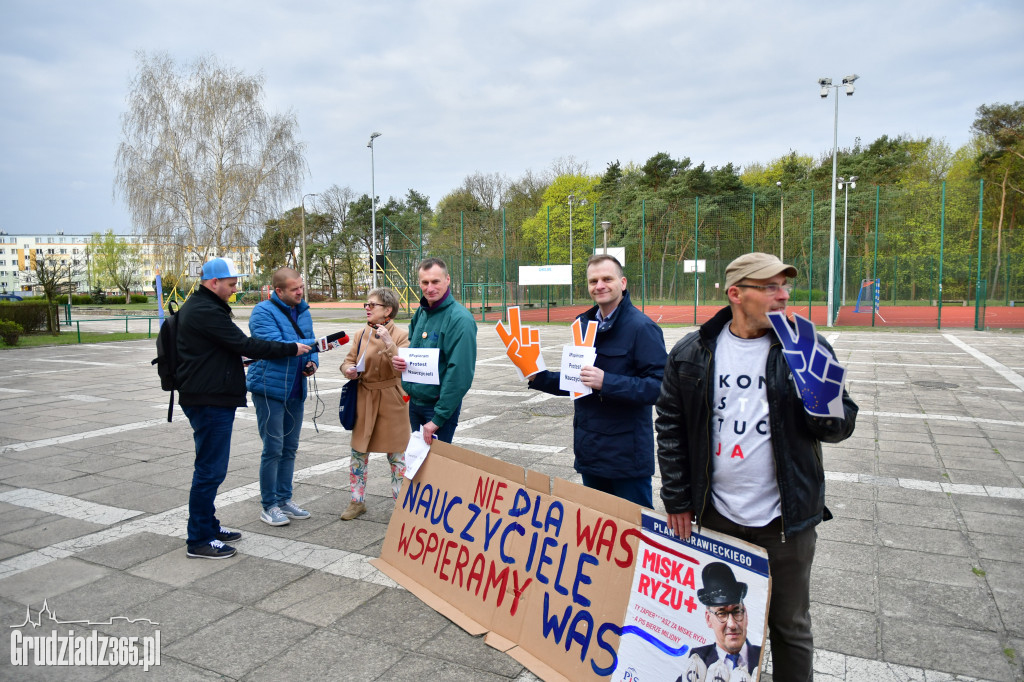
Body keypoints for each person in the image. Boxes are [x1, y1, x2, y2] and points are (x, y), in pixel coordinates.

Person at [656, 252, 858, 681]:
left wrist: (822, 396)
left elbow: (838, 428)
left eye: (784, 286)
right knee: (715, 626)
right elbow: (670, 424)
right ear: (736, 294)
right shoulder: (692, 351)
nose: (783, 295)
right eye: (769, 287)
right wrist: (676, 497)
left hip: (784, 520)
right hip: (715, 515)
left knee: (791, 627)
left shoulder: (806, 348)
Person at [176, 258, 311, 559]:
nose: (235, 289)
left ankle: (208, 526)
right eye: (232, 284)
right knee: (210, 471)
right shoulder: (205, 311)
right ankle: (199, 538)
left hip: (212, 395)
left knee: (212, 468)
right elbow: (246, 345)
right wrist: (291, 348)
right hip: (208, 399)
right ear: (214, 283)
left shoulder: (206, 307)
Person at [527, 255, 666, 507]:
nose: (599, 285)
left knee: (633, 533)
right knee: (596, 533)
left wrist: (607, 382)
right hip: (590, 449)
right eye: (593, 281)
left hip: (626, 457)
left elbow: (660, 387)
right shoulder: (582, 324)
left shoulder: (642, 328)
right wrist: (540, 377)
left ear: (622, 283)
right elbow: (577, 380)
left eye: (607, 279)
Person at [246, 267, 319, 527]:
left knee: (290, 448)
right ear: (279, 291)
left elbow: (310, 345)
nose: (300, 292)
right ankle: (269, 506)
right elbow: (272, 345)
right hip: (270, 389)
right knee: (273, 448)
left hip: (295, 388)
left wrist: (312, 362)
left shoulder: (304, 310)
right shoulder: (262, 312)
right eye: (294, 289)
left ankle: (285, 499)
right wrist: (299, 348)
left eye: (301, 286)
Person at [339, 287, 410, 520]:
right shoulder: (361, 334)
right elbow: (348, 360)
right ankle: (356, 501)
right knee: (358, 453)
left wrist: (390, 343)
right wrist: (347, 370)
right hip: (365, 398)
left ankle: (402, 506)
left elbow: (404, 365)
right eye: (366, 305)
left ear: (388, 310)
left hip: (392, 399)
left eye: (372, 305)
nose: (367, 308)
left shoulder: (401, 334)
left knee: (397, 456)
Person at [391, 258, 477, 444]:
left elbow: (460, 374)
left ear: (447, 280)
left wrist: (438, 418)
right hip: (415, 404)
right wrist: (403, 363)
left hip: (438, 408)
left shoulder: (460, 319)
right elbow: (415, 352)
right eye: (425, 282)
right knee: (419, 466)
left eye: (435, 281)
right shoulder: (421, 313)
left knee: (437, 469)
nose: (430, 288)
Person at [677, 563, 762, 680]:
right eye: (721, 613)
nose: (732, 624)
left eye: (737, 611)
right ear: (708, 619)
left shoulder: (763, 658)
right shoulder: (695, 663)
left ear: (745, 613)